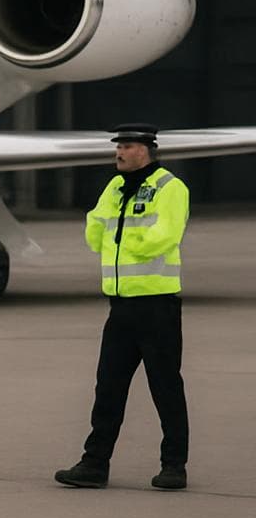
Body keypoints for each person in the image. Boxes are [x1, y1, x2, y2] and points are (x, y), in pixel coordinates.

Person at [55, 124, 191, 491]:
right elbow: (94, 231)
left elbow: (164, 236)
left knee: (165, 387)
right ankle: (94, 463)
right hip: (121, 306)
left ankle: (174, 466)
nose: (119, 152)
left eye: (127, 146)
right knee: (108, 388)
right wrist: (111, 236)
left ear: (145, 150)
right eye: (119, 146)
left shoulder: (170, 187)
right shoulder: (114, 187)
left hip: (157, 305)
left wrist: (123, 241)